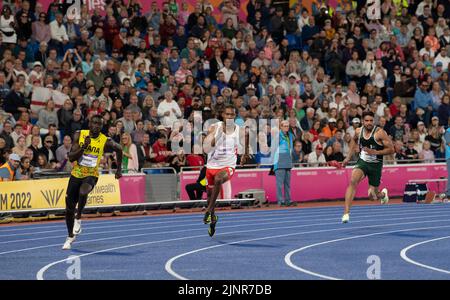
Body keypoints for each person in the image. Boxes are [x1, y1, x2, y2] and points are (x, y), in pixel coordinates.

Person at [63, 115, 123, 250]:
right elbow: (71, 157)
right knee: (68, 209)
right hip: (76, 174)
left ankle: (78, 217)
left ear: (102, 127)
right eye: (94, 123)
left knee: (83, 191)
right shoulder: (80, 135)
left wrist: (119, 170)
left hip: (91, 174)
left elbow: (119, 149)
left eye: (99, 124)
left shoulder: (105, 140)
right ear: (89, 124)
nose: (96, 126)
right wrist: (84, 147)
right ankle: (70, 236)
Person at [202, 105, 249, 237]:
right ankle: (212, 218)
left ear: (235, 116)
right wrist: (219, 136)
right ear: (223, 115)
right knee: (210, 197)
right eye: (227, 114)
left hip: (228, 165)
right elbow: (207, 146)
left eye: (232, 115)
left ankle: (208, 210)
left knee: (218, 179)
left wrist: (244, 154)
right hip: (211, 166)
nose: (229, 117)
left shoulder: (239, 130)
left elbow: (246, 137)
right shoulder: (214, 127)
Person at [342, 111, 395, 223]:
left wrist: (375, 152)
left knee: (372, 196)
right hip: (363, 162)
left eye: (371, 120)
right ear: (363, 121)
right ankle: (346, 213)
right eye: (366, 121)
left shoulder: (380, 133)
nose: (369, 123)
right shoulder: (358, 131)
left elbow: (391, 149)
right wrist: (348, 157)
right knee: (353, 181)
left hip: (376, 166)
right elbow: (353, 142)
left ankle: (383, 195)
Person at [274, 120, 295, 206]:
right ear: (281, 127)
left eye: (287, 126)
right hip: (279, 162)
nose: (287, 127)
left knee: (287, 184)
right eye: (285, 126)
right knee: (279, 184)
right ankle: (280, 201)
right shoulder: (277, 136)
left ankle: (288, 200)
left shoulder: (290, 135)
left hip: (288, 162)